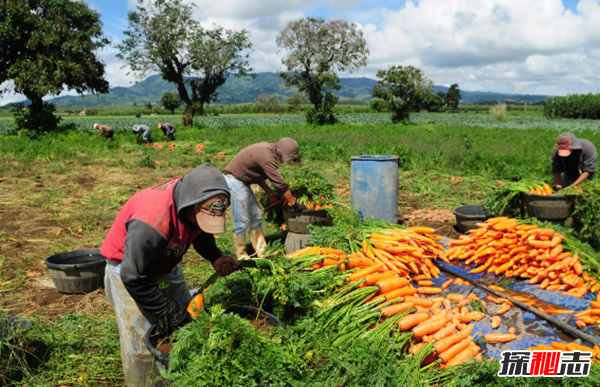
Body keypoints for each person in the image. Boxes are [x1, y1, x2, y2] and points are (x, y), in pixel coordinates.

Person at [100, 163, 241, 386]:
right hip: (129, 269)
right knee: (142, 339)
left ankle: (184, 376)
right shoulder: (151, 223)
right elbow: (132, 276)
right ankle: (145, 382)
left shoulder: (193, 204)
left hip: (165, 261)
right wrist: (166, 309)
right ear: (190, 203)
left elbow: (200, 232)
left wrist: (215, 256)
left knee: (188, 321)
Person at [222, 138, 306, 259]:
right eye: (289, 158)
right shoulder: (267, 157)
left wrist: (269, 192)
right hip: (234, 182)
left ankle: (263, 251)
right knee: (242, 218)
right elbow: (280, 185)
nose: (287, 162)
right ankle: (242, 255)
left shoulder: (269, 151)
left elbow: (257, 175)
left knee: (256, 216)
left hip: (242, 181)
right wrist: (294, 203)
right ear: (283, 153)